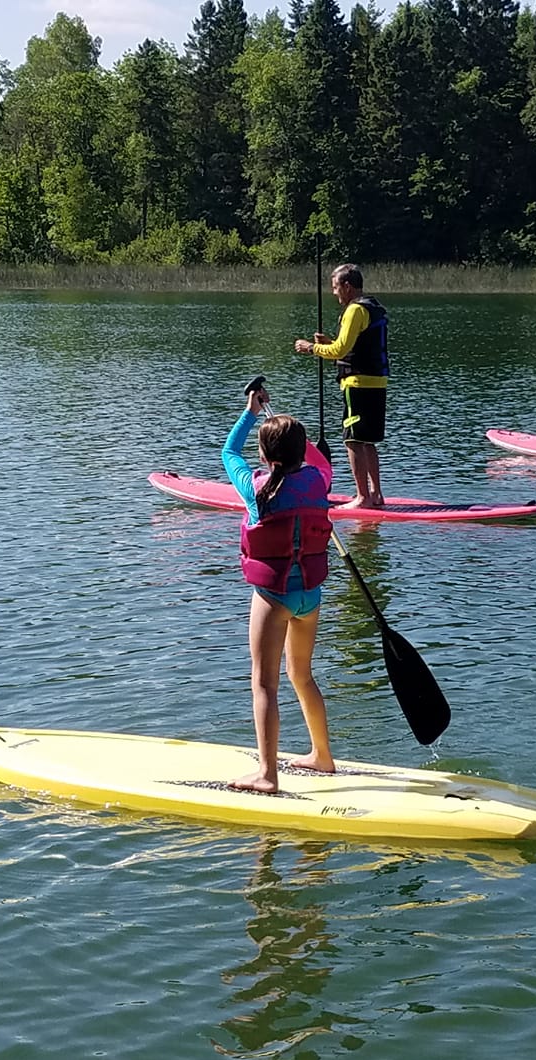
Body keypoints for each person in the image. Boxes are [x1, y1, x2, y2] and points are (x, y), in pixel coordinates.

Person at [221, 386, 336, 792]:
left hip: (274, 596)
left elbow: (228, 454)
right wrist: (282, 418)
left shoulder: (256, 488)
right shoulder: (320, 480)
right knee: (302, 674)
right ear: (302, 450)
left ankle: (267, 775)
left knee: (264, 682)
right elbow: (318, 459)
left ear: (267, 458)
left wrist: (251, 413)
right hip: (311, 596)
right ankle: (322, 756)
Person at [293, 263, 388, 509]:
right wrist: (330, 343)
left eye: (336, 287)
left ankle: (362, 498)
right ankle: (376, 494)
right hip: (376, 382)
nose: (334, 293)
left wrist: (312, 348)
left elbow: (340, 350)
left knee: (353, 440)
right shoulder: (372, 307)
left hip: (357, 384)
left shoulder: (354, 310)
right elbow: (350, 348)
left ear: (347, 286)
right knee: (367, 441)